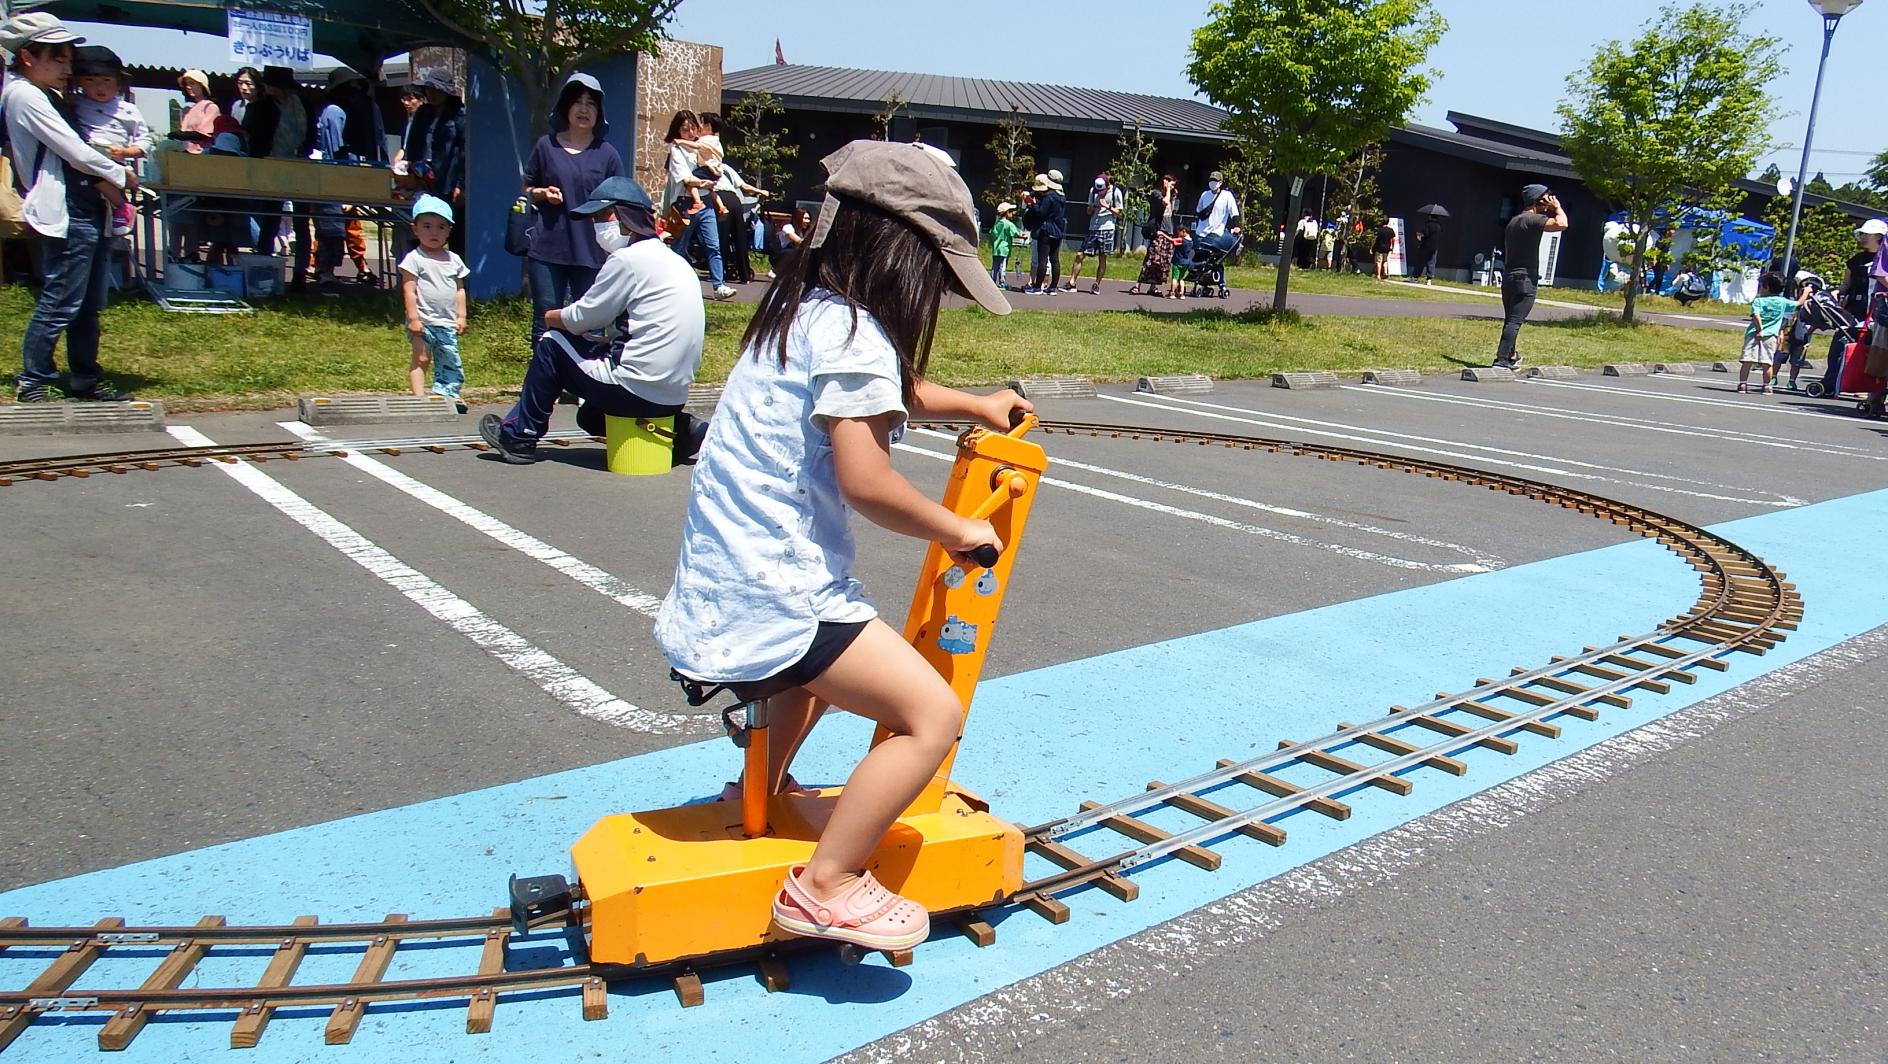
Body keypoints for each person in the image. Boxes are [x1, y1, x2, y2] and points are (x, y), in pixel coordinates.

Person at [653, 140, 1031, 952]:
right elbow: (866, 481)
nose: (935, 290)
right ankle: (825, 887)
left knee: (816, 676)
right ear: (902, 252)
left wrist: (977, 403)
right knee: (930, 715)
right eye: (936, 271)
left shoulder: (799, 314)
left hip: (730, 584)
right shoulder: (858, 331)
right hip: (779, 590)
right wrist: (961, 530)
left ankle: (762, 788)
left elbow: (887, 389)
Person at [480, 176, 706, 463]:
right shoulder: (675, 260)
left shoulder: (628, 259)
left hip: (633, 388)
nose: (598, 225)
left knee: (551, 343)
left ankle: (519, 436)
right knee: (590, 417)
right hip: (673, 395)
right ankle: (681, 431)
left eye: (603, 215)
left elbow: (581, 318)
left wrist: (551, 316)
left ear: (627, 217)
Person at [2, 11, 138, 402]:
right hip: (67, 208)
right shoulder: (25, 94)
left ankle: (85, 378)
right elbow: (75, 151)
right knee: (62, 299)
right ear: (29, 57)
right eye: (58, 58)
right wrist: (118, 173)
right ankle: (34, 379)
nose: (67, 67)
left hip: (84, 204)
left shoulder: (46, 94)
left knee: (87, 304)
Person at [522, 73, 624, 341]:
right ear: (566, 107)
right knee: (546, 318)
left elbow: (621, 200)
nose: (583, 109)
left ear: (599, 112)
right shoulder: (547, 146)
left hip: (592, 251)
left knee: (587, 323)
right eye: (577, 102)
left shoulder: (608, 154)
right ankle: (543, 381)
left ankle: (581, 380)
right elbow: (527, 187)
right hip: (548, 248)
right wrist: (542, 193)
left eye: (591, 103)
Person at [71, 46, 149, 240]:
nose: (100, 87)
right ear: (79, 82)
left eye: (107, 81)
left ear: (119, 82)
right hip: (87, 154)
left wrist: (125, 152)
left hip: (114, 159)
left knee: (95, 173)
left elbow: (144, 140)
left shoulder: (127, 109)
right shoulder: (75, 102)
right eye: (90, 81)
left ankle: (121, 207)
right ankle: (119, 208)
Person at [398, 195, 469, 409]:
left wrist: (461, 315)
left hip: (446, 322)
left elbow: (459, 290)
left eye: (441, 227)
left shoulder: (453, 259)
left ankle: (448, 394)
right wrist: (413, 318)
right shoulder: (414, 258)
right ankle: (419, 398)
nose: (434, 232)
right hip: (423, 320)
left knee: (450, 359)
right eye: (427, 226)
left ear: (449, 231)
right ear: (415, 229)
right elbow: (409, 290)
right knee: (421, 357)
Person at [1493, 184, 1568, 370]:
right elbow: (1562, 224)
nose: (1550, 199)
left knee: (1510, 319)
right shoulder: (1533, 220)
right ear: (1538, 200)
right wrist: (1557, 207)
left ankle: (1510, 355)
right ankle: (1501, 359)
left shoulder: (1514, 221)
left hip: (1509, 276)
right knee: (1516, 321)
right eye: (1547, 197)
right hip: (1525, 278)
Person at [661, 109, 734, 300]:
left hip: (706, 201)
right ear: (677, 131)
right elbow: (684, 177)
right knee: (679, 247)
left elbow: (714, 164)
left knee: (713, 245)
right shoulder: (677, 150)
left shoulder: (700, 146)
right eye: (685, 129)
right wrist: (704, 183)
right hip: (685, 203)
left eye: (693, 128)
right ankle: (672, 283)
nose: (690, 132)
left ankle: (719, 286)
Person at [698, 112, 769, 286]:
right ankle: (744, 275)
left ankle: (719, 274)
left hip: (719, 198)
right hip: (735, 201)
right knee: (740, 238)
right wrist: (761, 191)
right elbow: (744, 186)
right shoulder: (726, 167)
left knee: (720, 238)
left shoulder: (704, 163)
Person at [1821, 219, 1883, 396]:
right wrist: (1834, 294)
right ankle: (1831, 382)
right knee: (1840, 343)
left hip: (1876, 312)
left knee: (1870, 350)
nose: (1863, 238)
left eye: (1867, 235)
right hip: (1853, 310)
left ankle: (1863, 385)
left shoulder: (1883, 260)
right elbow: (1845, 285)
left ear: (1879, 237)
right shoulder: (1855, 261)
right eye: (1862, 234)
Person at [1064, 173, 1123, 294]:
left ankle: (1097, 284)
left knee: (1102, 257)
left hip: (1107, 228)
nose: (1099, 192)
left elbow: (1120, 213)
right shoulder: (1093, 191)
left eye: (1102, 190)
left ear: (1108, 186)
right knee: (1080, 255)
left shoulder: (1116, 192)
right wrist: (1094, 206)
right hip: (1093, 227)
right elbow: (1088, 210)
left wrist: (1107, 206)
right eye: (1098, 190)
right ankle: (1072, 282)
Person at [1739, 273, 1793, 395]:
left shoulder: (1758, 301)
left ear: (1766, 287)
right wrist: (1807, 291)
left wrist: (1759, 330)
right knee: (1767, 362)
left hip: (1754, 333)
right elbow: (1798, 304)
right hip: (1771, 335)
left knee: (1747, 359)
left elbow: (1755, 316)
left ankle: (1743, 383)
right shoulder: (1782, 301)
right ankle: (1767, 386)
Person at [1130, 174, 1179, 295]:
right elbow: (1165, 202)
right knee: (1151, 258)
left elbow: (1172, 210)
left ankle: (1153, 286)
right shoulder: (1156, 193)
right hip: (1158, 230)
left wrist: (1173, 194)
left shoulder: (1173, 196)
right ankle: (1138, 285)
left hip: (1168, 230)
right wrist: (1167, 190)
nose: (1172, 187)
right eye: (1170, 184)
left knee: (1163, 261)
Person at [1020, 170, 1065, 294]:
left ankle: (1037, 287)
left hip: (1046, 230)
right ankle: (1052, 288)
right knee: (1055, 260)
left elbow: (1041, 212)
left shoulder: (1049, 197)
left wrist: (1031, 204)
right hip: (1058, 231)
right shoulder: (1061, 196)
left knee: (1043, 260)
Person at [1192, 170, 1240, 255]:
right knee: (1197, 259)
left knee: (1210, 257)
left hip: (1216, 232)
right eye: (1211, 180)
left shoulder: (1227, 195)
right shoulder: (1204, 194)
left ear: (1220, 182)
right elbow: (1198, 211)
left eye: (1215, 181)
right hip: (1200, 232)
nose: (1212, 183)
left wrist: (1237, 226)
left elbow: (1234, 212)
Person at [175, 69, 218, 155]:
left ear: (202, 85)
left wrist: (183, 135)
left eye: (192, 83)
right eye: (186, 84)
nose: (188, 87)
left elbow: (206, 134)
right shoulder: (188, 110)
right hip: (184, 151)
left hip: (201, 153)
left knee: (164, 146)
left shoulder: (210, 107)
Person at [989, 200, 1021, 290]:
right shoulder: (1008, 224)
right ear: (1006, 213)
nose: (1012, 213)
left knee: (994, 265)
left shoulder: (997, 223)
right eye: (1010, 211)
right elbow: (1016, 232)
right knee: (1002, 265)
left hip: (996, 248)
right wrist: (1021, 235)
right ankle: (1002, 282)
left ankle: (992, 281)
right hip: (1004, 248)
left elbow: (992, 232)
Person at [1413, 214, 1441, 284]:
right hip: (1434, 247)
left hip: (1425, 246)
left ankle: (1415, 277)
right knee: (1431, 262)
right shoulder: (1438, 226)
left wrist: (1418, 235)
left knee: (1420, 262)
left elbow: (1425, 234)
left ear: (1430, 217)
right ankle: (1429, 279)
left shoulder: (1428, 225)